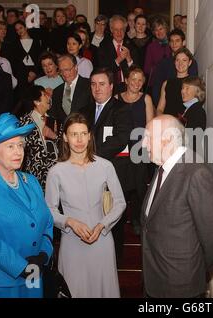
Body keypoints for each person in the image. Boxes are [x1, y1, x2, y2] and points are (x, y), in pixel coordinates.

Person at [0, 113, 54, 298]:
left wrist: (43, 255)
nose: (18, 151)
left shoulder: (31, 181)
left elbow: (47, 223)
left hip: (33, 276)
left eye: (21, 145)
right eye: (11, 146)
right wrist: (22, 267)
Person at [141, 115, 213, 298]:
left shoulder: (196, 174)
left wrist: (193, 271)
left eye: (148, 137)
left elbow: (212, 237)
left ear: (168, 139)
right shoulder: (162, 168)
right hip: (153, 281)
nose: (144, 144)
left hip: (180, 287)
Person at [45, 112, 125, 298]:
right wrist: (70, 222)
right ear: (65, 137)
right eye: (74, 134)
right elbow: (49, 210)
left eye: (83, 133)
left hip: (102, 240)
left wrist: (103, 225)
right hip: (72, 242)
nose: (79, 140)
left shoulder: (105, 166)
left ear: (90, 136)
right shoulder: (56, 171)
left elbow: (120, 202)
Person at [81, 68, 132, 263]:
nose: (97, 88)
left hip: (113, 176)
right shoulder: (84, 110)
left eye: (102, 84)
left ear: (111, 86)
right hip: (86, 176)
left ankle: (114, 263)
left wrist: (89, 155)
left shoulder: (121, 109)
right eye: (93, 84)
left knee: (113, 223)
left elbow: (121, 138)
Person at [117, 66, 154, 235]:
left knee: (139, 187)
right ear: (126, 80)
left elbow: (150, 125)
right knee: (121, 185)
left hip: (140, 147)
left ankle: (138, 220)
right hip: (121, 149)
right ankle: (120, 218)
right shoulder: (117, 98)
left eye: (140, 80)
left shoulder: (146, 98)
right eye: (133, 79)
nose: (137, 83)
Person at [19, 85, 60, 190]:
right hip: (34, 175)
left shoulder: (54, 120)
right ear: (37, 102)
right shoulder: (26, 122)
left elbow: (63, 145)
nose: (48, 97)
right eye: (44, 95)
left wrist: (54, 136)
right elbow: (20, 146)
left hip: (54, 174)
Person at [50, 54, 91, 125]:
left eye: (67, 70)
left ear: (76, 67)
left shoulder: (88, 85)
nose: (64, 74)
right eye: (61, 71)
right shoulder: (57, 91)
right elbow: (55, 115)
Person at [156, 47, 194, 117]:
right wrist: (163, 120)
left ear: (190, 62)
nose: (180, 63)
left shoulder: (193, 82)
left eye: (184, 60)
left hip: (185, 124)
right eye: (177, 60)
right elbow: (160, 109)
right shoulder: (166, 83)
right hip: (168, 123)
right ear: (174, 62)